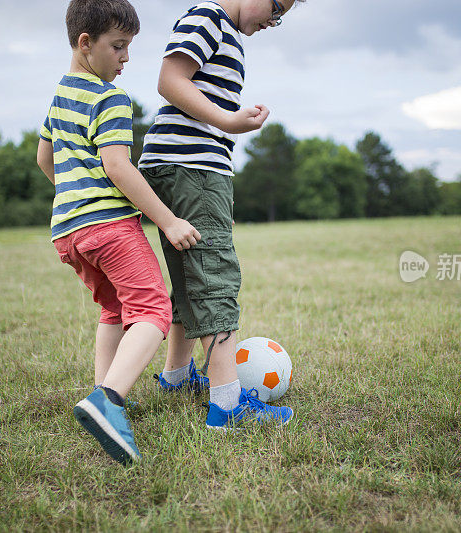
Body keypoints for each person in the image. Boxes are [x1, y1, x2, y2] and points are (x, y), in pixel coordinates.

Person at [36, 0, 201, 464]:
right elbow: (116, 164)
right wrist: (167, 220)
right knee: (152, 310)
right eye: (119, 47)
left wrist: (76, 196)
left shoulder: (59, 96)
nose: (126, 58)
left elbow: (44, 161)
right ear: (85, 44)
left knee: (113, 308)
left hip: (68, 233)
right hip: (108, 227)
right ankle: (108, 401)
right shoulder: (110, 98)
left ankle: (100, 394)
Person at [140, 0, 303, 429]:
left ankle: (176, 377)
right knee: (215, 275)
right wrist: (228, 122)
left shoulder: (225, 29)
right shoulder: (208, 17)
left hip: (181, 165)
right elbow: (170, 80)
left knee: (190, 277)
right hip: (193, 169)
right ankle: (228, 403)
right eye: (275, 6)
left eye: (282, 16)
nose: (275, 20)